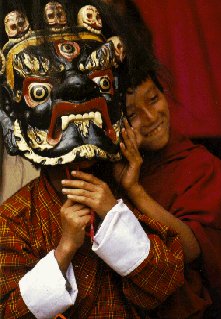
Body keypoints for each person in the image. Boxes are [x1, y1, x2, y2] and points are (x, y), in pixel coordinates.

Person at [0, 1, 184, 318]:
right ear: (13, 121)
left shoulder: (121, 194)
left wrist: (114, 215)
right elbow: (7, 311)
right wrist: (64, 250)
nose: (78, 91)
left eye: (100, 83)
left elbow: (169, 280)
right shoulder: (14, 218)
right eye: (42, 93)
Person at [110, 74, 221, 318]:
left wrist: (136, 191)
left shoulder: (203, 166)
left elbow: (190, 250)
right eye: (133, 115)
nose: (150, 117)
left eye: (153, 99)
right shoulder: (111, 171)